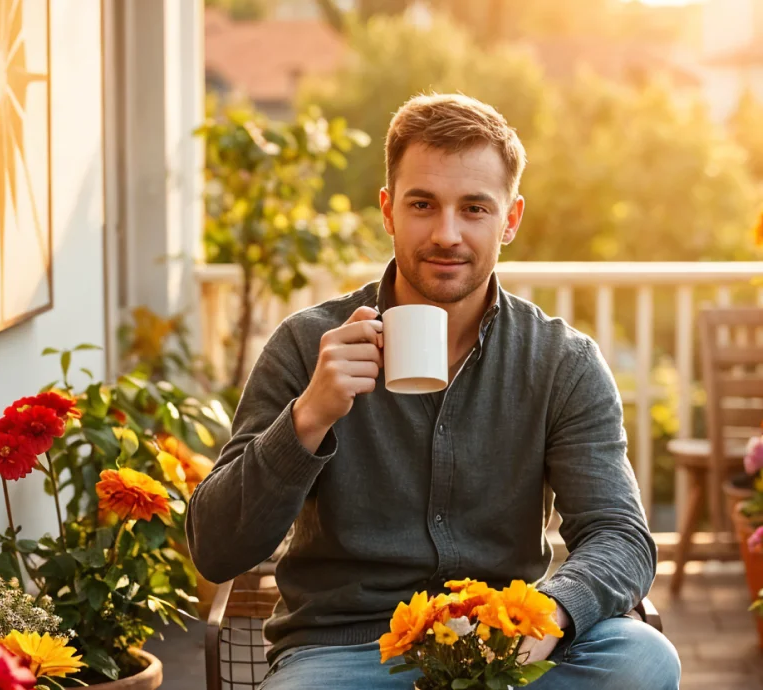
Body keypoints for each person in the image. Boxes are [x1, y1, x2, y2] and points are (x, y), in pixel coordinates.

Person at [186, 93, 680, 689]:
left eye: (474, 208)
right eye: (423, 204)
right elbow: (214, 550)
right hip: (348, 652)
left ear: (511, 219)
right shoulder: (307, 344)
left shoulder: (560, 362)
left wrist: (550, 613)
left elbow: (620, 535)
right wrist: (308, 417)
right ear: (390, 211)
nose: (447, 234)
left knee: (642, 659)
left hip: (503, 646)